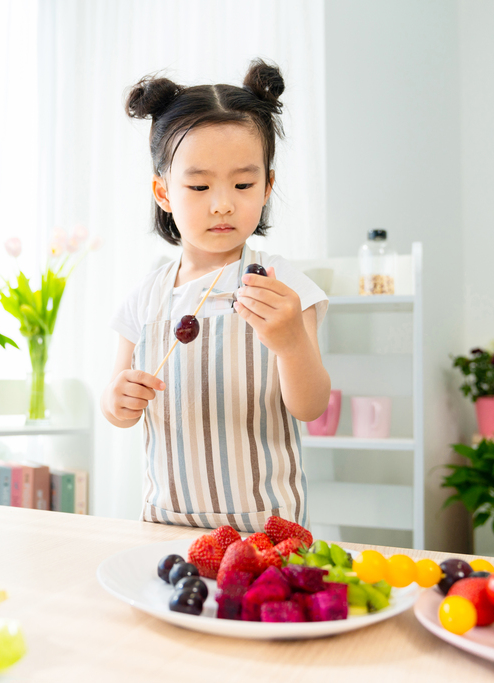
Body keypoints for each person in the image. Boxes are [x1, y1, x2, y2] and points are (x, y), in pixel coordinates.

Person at [101, 59, 331, 532]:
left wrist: (290, 342)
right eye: (199, 185)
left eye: (243, 184)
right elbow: (117, 407)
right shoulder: (146, 297)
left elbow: (310, 407)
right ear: (163, 192)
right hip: (167, 522)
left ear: (267, 186)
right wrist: (117, 399)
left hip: (268, 528)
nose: (222, 202)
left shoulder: (283, 286)